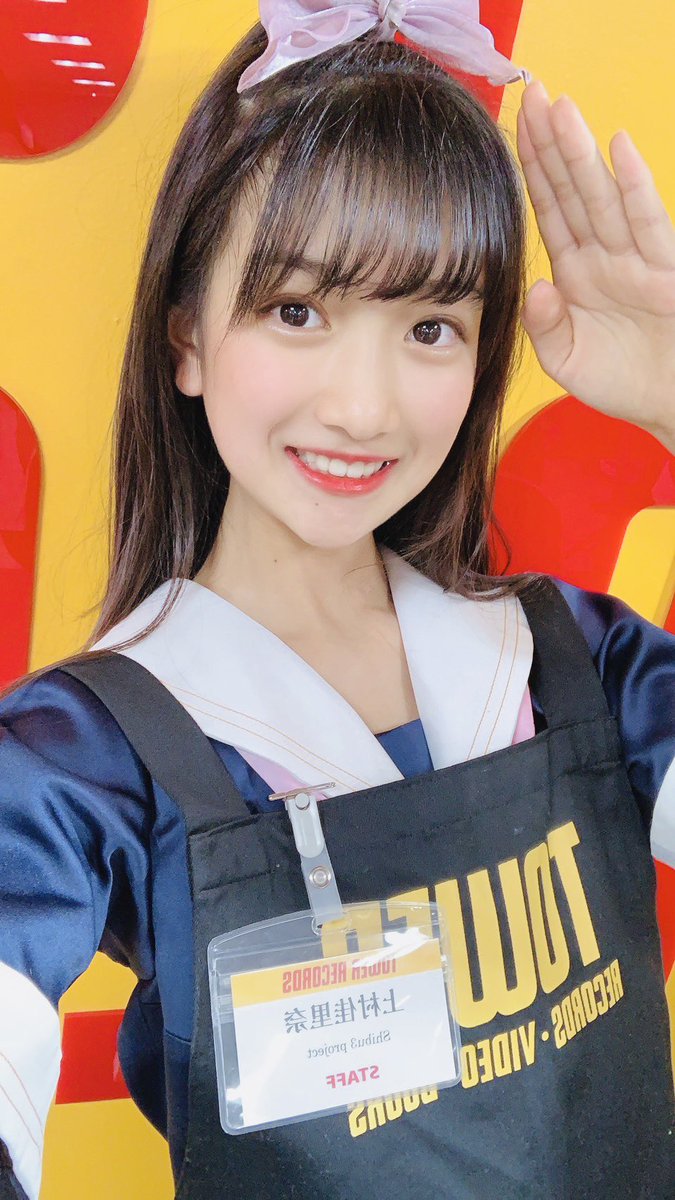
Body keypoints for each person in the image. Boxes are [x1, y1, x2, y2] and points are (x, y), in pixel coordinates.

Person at [1, 3, 674, 1197]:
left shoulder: (571, 660)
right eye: (298, 310)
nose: (364, 408)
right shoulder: (89, 756)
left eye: (431, 327)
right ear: (185, 336)